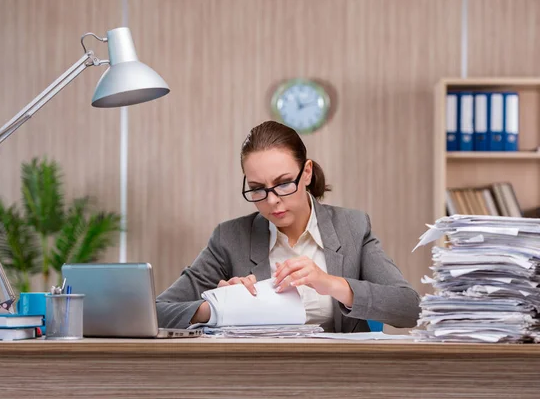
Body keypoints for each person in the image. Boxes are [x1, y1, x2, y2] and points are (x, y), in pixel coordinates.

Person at [156, 120, 420, 332]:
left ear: (306, 173)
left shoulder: (352, 227)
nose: (272, 201)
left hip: (340, 377)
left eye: (283, 183)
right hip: (260, 377)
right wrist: (217, 307)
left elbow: (410, 309)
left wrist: (331, 284)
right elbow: (156, 310)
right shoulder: (230, 238)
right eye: (257, 189)